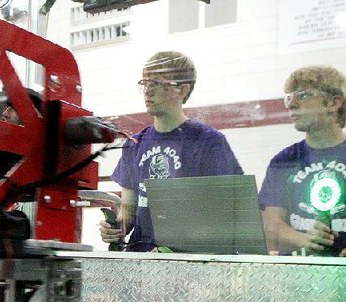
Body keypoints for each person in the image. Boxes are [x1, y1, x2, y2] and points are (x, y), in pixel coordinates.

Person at [100, 51, 243, 251]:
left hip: (188, 265)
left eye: (157, 83)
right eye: (145, 83)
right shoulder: (134, 144)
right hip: (141, 261)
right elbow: (129, 211)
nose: (148, 91)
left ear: (182, 90)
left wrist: (173, 250)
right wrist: (117, 228)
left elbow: (223, 215)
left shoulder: (208, 142)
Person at [259, 66, 346, 257]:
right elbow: (271, 223)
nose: (291, 104)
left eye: (303, 95)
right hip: (296, 276)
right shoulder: (284, 161)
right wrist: (305, 240)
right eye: (288, 97)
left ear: (334, 103)